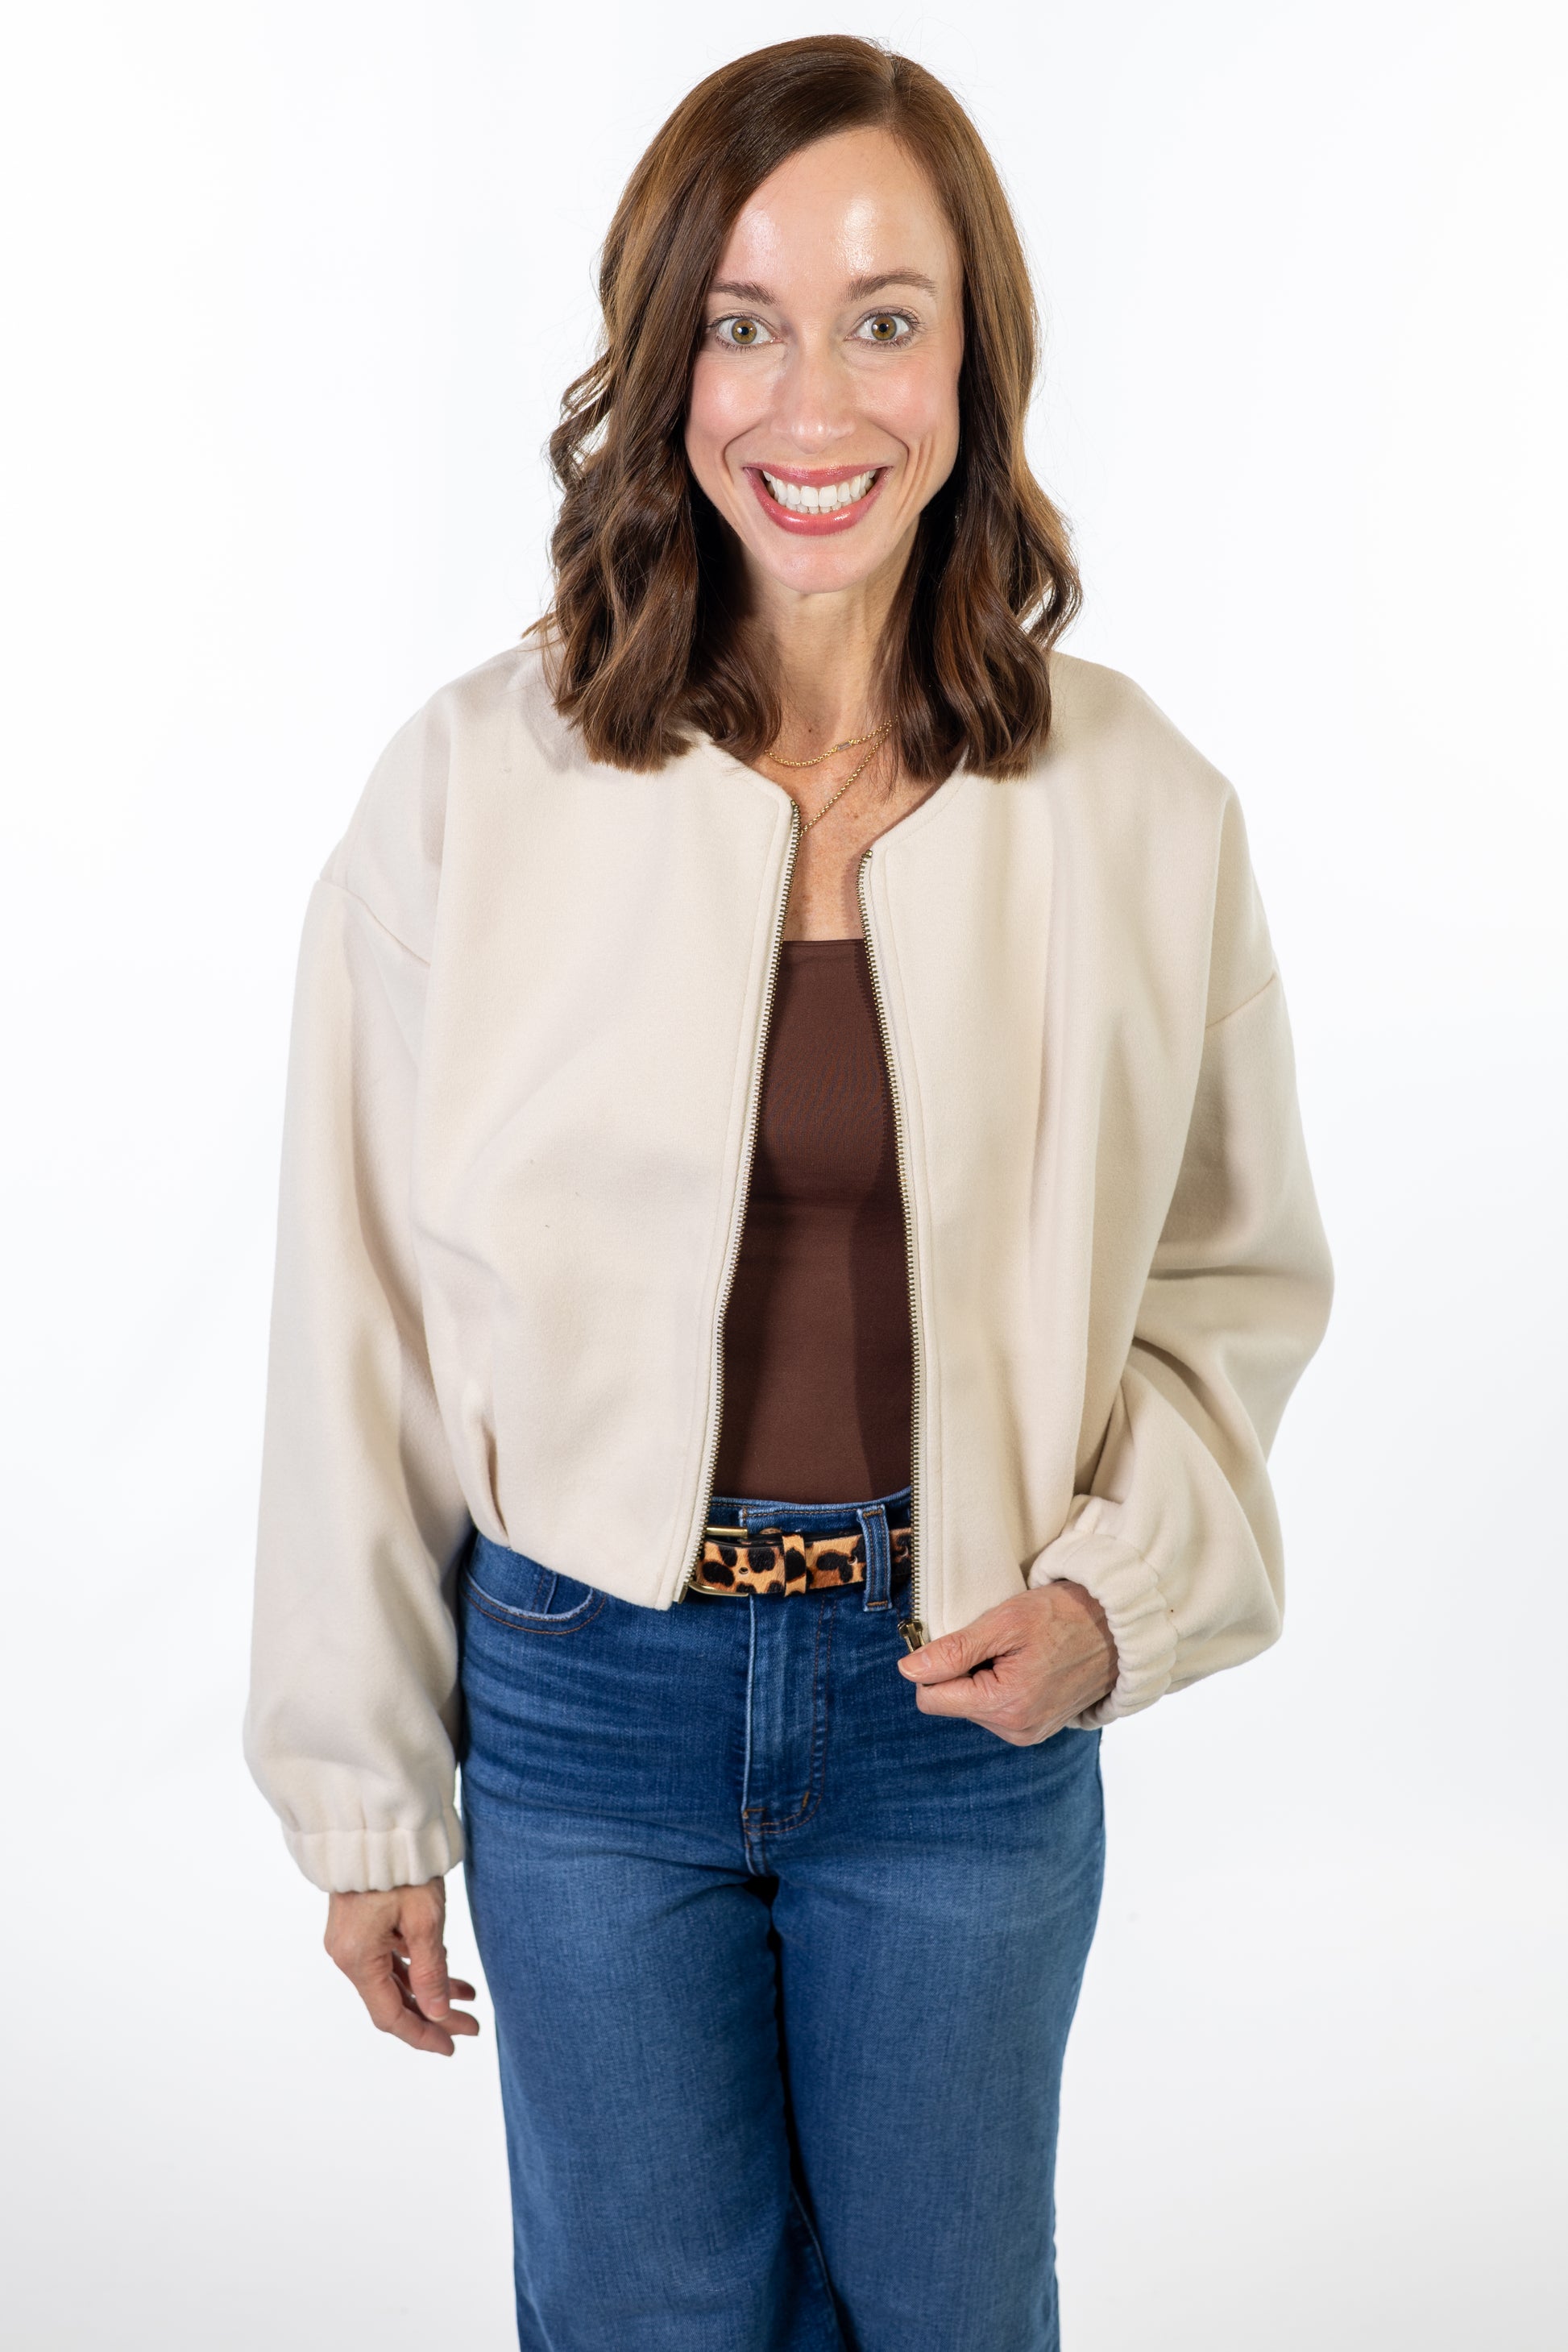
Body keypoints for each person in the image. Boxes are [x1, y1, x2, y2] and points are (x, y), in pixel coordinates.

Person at [244, 35, 1334, 2352]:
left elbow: (1230, 1279)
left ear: (972, 357)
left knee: (949, 2316)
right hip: (579, 1700)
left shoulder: (1134, 801)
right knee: (643, 2318)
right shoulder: (475, 781)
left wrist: (1114, 1600)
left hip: (959, 1700)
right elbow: (355, 1308)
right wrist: (360, 1799)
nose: (807, 397)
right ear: (660, 364)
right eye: (739, 320)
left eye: (881, 315)